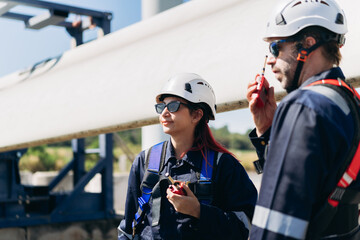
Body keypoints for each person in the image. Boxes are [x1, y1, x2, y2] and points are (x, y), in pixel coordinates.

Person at [246, 0, 360, 239]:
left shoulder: (303, 105)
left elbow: (275, 223)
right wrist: (267, 130)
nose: (270, 59)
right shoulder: (350, 102)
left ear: (307, 44)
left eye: (276, 47)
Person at [118, 73, 257, 240]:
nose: (165, 113)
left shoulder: (225, 166)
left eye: (174, 106)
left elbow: (245, 229)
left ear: (197, 115)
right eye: (162, 107)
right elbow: (128, 229)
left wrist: (198, 211)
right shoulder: (145, 162)